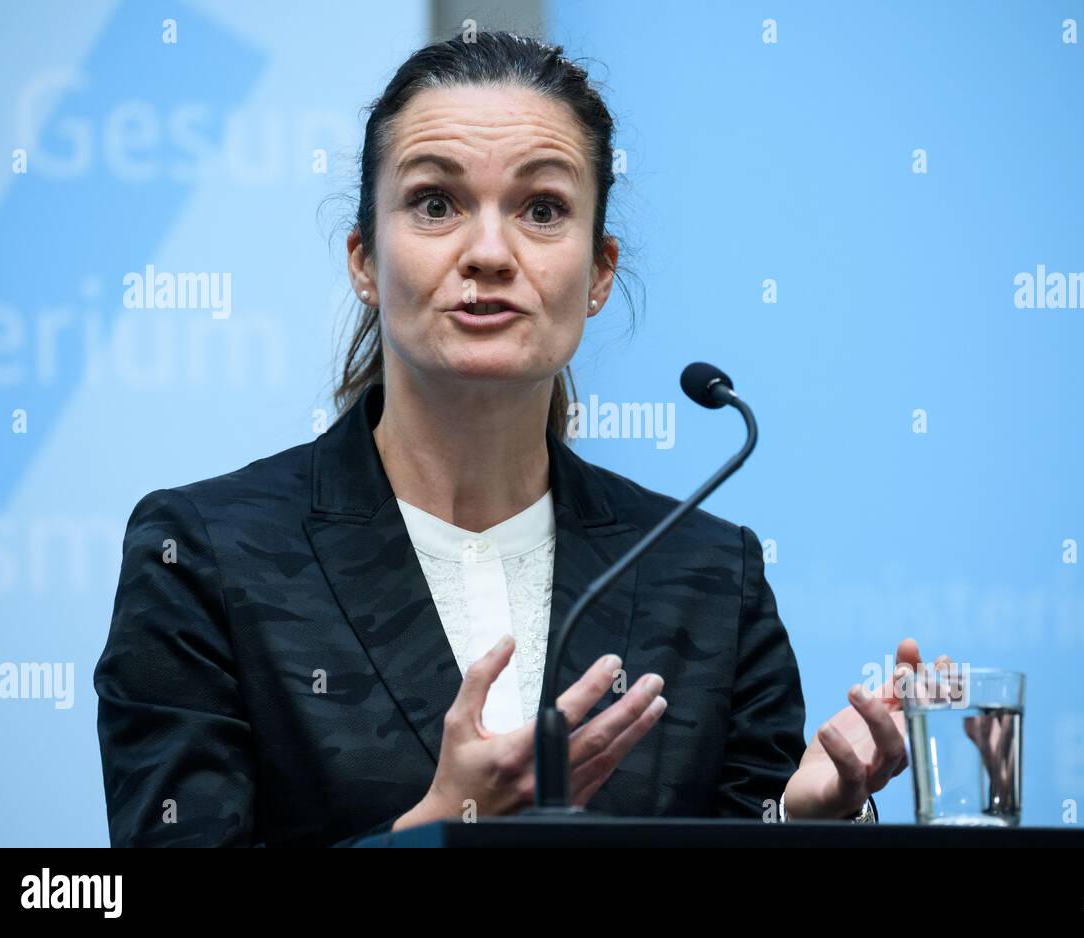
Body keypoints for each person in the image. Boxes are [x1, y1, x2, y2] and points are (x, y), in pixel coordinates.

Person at [94, 30, 949, 847]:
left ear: (600, 272)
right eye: (436, 203)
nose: (491, 253)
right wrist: (435, 828)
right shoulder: (203, 555)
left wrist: (803, 828)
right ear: (362, 260)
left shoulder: (710, 577)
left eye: (542, 209)